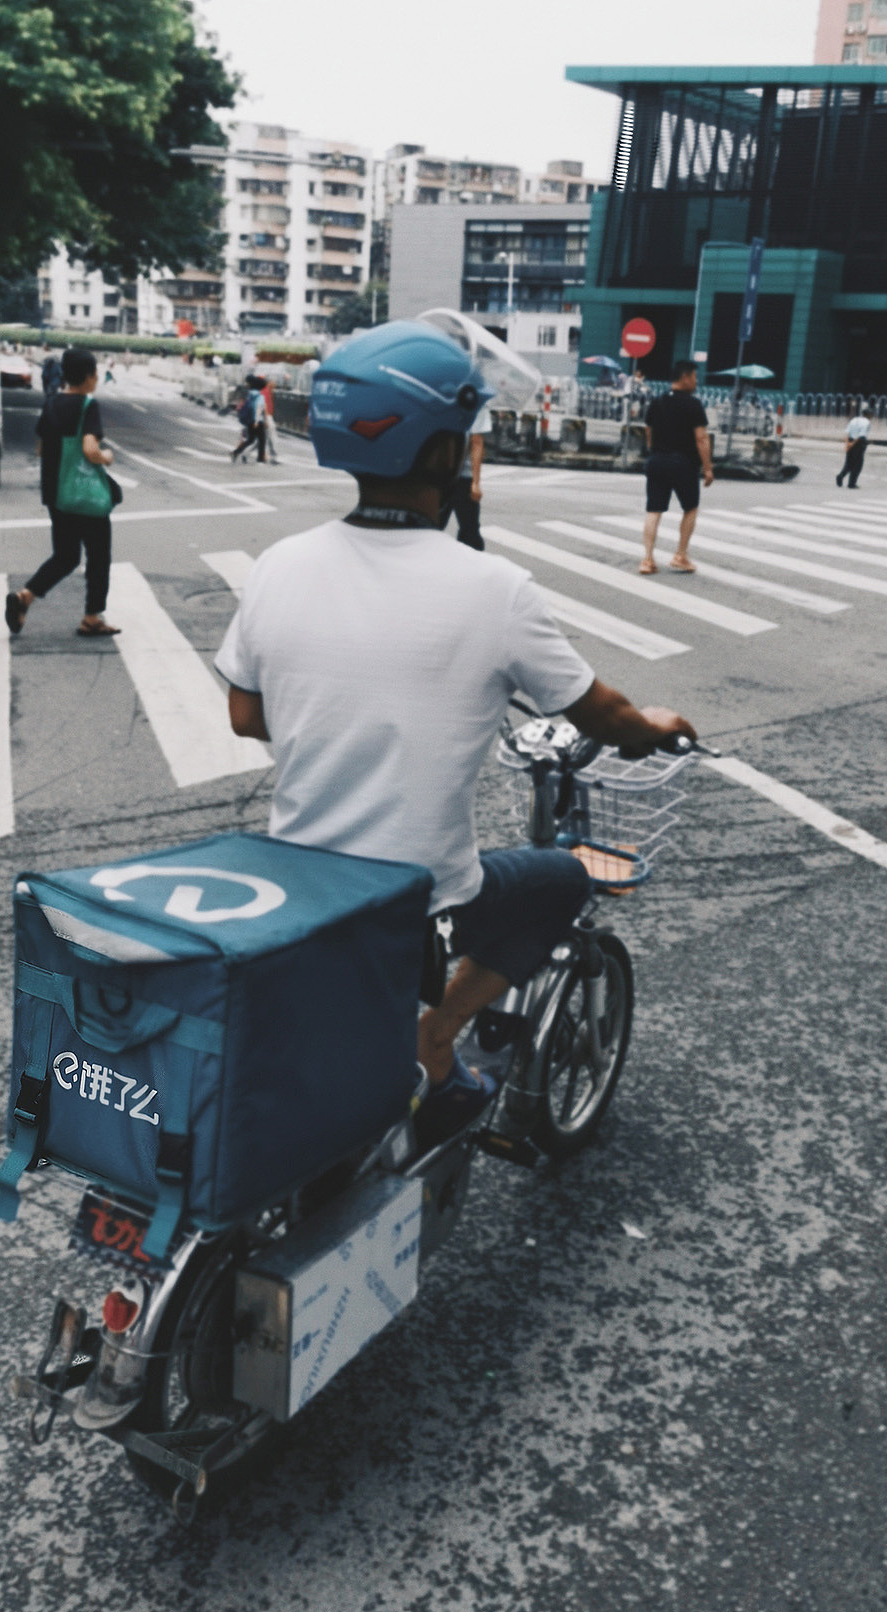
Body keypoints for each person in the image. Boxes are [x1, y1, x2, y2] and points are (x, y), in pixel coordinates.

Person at [215, 321, 697, 1145]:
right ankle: (434, 1037)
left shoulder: (280, 564)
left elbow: (245, 714)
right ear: (440, 451)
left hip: (304, 882)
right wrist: (652, 726)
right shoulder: (493, 590)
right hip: (421, 895)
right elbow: (603, 716)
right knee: (560, 880)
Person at [5, 346, 119, 638]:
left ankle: (24, 597)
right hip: (85, 495)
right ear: (89, 377)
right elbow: (90, 450)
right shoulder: (87, 405)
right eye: (94, 373)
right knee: (98, 556)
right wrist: (106, 457)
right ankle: (92, 617)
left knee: (66, 556)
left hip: (56, 492)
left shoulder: (52, 402)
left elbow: (41, 447)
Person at [640, 359, 713, 575]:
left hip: (657, 461)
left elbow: (648, 431)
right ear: (685, 377)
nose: (696, 381)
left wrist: (655, 451)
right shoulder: (693, 404)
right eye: (695, 377)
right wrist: (708, 468)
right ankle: (680, 555)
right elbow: (701, 438)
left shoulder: (657, 402)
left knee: (654, 510)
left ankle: (647, 559)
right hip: (683, 463)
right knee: (690, 508)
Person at [449, 400, 492, 550]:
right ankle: (467, 568)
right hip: (462, 476)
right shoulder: (475, 398)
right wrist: (475, 483)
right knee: (470, 531)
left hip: (433, 474)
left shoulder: (434, 391)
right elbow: (476, 442)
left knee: (427, 529)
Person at [230, 376, 266, 464]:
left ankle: (236, 452)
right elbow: (258, 408)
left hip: (249, 419)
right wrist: (257, 420)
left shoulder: (249, 394)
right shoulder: (260, 396)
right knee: (262, 440)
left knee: (251, 439)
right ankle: (260, 459)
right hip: (257, 420)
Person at [836, 407, 871, 489]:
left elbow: (847, 432)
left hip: (850, 440)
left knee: (849, 463)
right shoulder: (867, 422)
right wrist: (853, 444)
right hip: (858, 443)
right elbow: (861, 435)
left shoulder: (854, 420)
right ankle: (851, 483)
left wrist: (848, 443)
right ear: (868, 415)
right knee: (858, 465)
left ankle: (841, 476)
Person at [259, 377, 280, 464]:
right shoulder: (265, 391)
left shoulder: (268, 391)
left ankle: (246, 453)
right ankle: (274, 457)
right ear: (269, 382)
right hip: (267, 416)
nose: (275, 384)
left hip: (267, 416)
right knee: (272, 437)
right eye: (274, 382)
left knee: (263, 438)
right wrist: (266, 419)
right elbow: (264, 406)